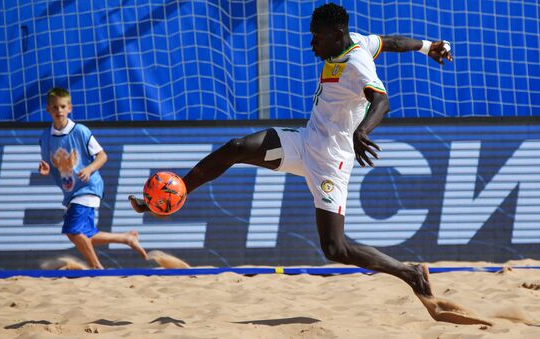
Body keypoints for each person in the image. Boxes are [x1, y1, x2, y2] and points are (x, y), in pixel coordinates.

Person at [129, 3, 452, 297]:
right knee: (236, 147)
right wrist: (427, 47)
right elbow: (392, 42)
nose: (312, 43)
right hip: (303, 142)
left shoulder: (357, 63)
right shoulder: (354, 40)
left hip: (331, 161)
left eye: (317, 37)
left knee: (334, 249)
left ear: (335, 35)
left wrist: (361, 132)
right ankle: (179, 193)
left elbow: (381, 101)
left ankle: (409, 273)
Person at [39, 87, 148, 269]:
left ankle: (97, 268)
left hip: (88, 187)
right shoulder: (45, 137)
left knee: (72, 231)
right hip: (72, 191)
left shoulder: (80, 131)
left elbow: (103, 156)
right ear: (48, 109)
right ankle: (126, 238)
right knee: (86, 235)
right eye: (55, 107)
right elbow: (49, 164)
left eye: (62, 106)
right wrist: (46, 169)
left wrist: (89, 169)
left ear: (69, 108)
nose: (59, 110)